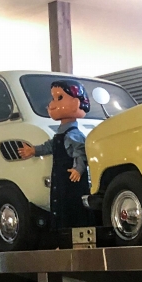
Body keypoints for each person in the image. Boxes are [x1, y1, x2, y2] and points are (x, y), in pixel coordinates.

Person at [14, 80, 93, 244]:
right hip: (61, 181)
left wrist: (78, 169)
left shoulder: (74, 135)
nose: (51, 104)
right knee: (59, 208)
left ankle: (71, 241)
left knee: (71, 210)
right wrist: (34, 150)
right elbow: (50, 146)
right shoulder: (61, 134)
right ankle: (61, 241)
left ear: (75, 103)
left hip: (71, 183)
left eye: (59, 98)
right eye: (53, 98)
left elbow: (80, 153)